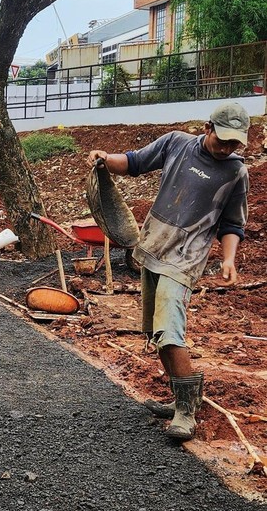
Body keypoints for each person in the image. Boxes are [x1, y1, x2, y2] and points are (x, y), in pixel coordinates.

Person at [88, 101, 250, 441]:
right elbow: (133, 161)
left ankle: (186, 412)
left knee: (170, 329)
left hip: (186, 257)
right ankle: (182, 396)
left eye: (234, 143)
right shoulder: (176, 143)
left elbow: (233, 224)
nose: (227, 148)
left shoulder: (236, 172)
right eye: (222, 140)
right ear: (207, 128)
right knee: (156, 331)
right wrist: (105, 158)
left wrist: (229, 259)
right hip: (154, 247)